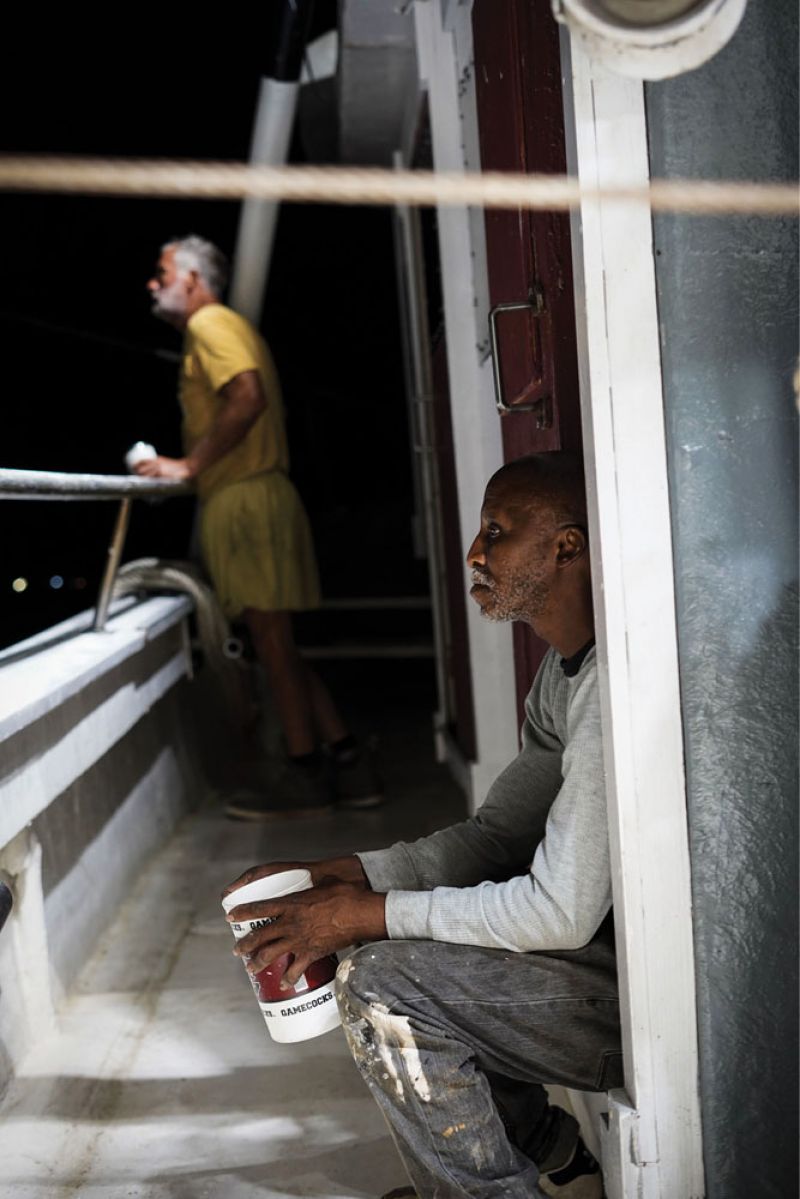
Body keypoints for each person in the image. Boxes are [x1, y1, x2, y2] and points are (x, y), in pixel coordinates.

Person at [222, 452, 622, 1198]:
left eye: (497, 531)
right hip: (598, 976)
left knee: (383, 980)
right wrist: (352, 876)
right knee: (400, 931)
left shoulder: (612, 690)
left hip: (645, 1013)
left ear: (565, 546)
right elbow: (496, 837)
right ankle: (552, 1154)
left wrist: (367, 916)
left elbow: (560, 912)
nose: (475, 552)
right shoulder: (564, 673)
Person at [137, 234, 381, 817]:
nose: (155, 282)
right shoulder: (227, 327)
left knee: (270, 643)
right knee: (279, 645)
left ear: (193, 281)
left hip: (245, 501)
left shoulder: (210, 326)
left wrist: (190, 464)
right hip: (263, 496)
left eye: (163, 272)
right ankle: (347, 762)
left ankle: (302, 777)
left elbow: (246, 398)